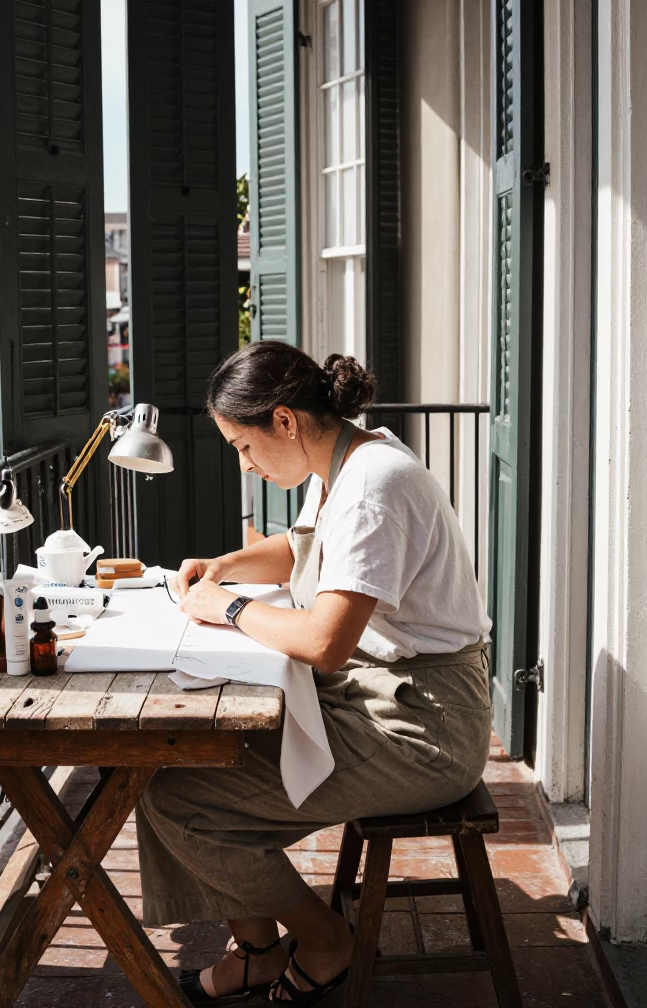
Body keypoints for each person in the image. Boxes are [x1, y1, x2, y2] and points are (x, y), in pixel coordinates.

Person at [136, 342, 492, 1004]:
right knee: (179, 768)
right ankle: (262, 953)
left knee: (180, 800)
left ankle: (323, 940)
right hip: (378, 699)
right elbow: (304, 552)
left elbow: (327, 643)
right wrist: (222, 566)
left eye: (244, 447)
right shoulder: (345, 463)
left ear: (285, 421)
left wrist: (230, 607)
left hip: (423, 728)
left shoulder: (373, 484)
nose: (246, 464)